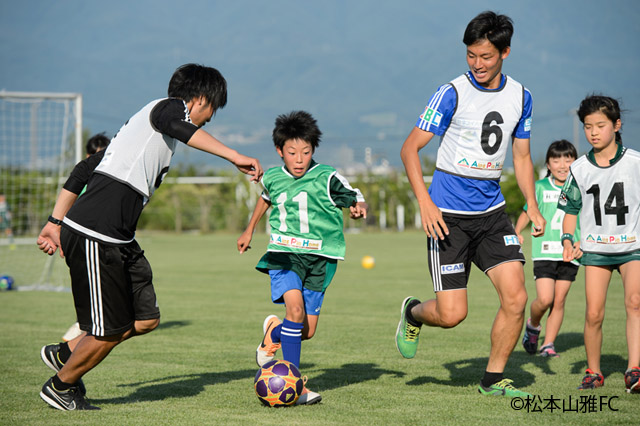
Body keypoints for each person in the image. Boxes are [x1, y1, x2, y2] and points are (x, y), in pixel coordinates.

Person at [36, 63, 263, 411]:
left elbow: (85, 168)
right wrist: (234, 156)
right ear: (201, 99)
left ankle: (65, 353)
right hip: (97, 233)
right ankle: (61, 387)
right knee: (108, 331)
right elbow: (178, 125)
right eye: (213, 109)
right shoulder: (168, 109)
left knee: (145, 319)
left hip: (120, 238)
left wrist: (54, 221)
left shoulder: (143, 134)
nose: (209, 119)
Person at [395, 11, 545, 398]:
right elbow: (410, 149)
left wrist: (533, 203)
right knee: (452, 315)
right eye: (471, 56)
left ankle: (493, 380)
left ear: (505, 53)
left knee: (516, 299)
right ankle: (413, 312)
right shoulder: (451, 93)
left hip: (493, 215)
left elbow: (523, 158)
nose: (477, 64)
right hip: (448, 218)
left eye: (486, 57)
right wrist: (426, 204)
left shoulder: (522, 97)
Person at [237, 110, 367, 405]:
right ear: (279, 151)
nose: (299, 159)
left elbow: (352, 194)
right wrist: (249, 230)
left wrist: (358, 206)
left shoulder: (326, 176)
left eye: (306, 152)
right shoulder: (272, 176)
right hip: (284, 254)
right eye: (292, 152)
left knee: (306, 330)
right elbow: (266, 198)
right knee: (294, 313)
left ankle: (273, 333)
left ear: (313, 151)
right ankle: (296, 387)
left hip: (320, 258)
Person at [558, 95, 640, 393]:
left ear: (616, 125)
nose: (593, 132)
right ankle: (594, 371)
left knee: (635, 303)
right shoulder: (579, 168)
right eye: (587, 126)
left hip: (633, 248)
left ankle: (634, 369)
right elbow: (569, 210)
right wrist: (568, 238)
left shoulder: (635, 163)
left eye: (600, 125)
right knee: (594, 313)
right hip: (596, 250)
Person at [515, 140, 580, 358]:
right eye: (556, 160)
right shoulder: (540, 187)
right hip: (544, 250)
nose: (563, 165)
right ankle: (533, 325)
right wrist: (516, 232)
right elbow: (527, 211)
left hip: (570, 253)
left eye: (568, 159)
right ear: (548, 164)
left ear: (575, 162)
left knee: (559, 300)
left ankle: (548, 345)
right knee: (545, 299)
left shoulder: (581, 188)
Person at [60, 132, 112, 343]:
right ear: (88, 154)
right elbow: (67, 207)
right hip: (81, 237)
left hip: (106, 237)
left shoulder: (111, 180)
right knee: (86, 283)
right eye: (94, 154)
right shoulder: (81, 179)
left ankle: (93, 323)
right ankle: (84, 325)